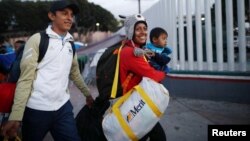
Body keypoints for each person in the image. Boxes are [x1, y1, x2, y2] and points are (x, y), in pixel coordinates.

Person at [1, 1, 94, 141]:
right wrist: (16, 116)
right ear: (51, 15)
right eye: (64, 13)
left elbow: (74, 73)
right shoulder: (37, 40)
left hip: (63, 108)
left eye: (72, 15)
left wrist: (87, 94)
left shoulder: (70, 43)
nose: (69, 18)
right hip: (36, 110)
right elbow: (25, 79)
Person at [119, 14, 167, 141]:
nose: (143, 32)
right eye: (138, 29)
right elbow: (153, 75)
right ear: (131, 31)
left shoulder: (135, 49)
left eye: (145, 28)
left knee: (157, 136)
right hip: (135, 106)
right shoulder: (131, 52)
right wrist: (165, 72)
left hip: (139, 103)